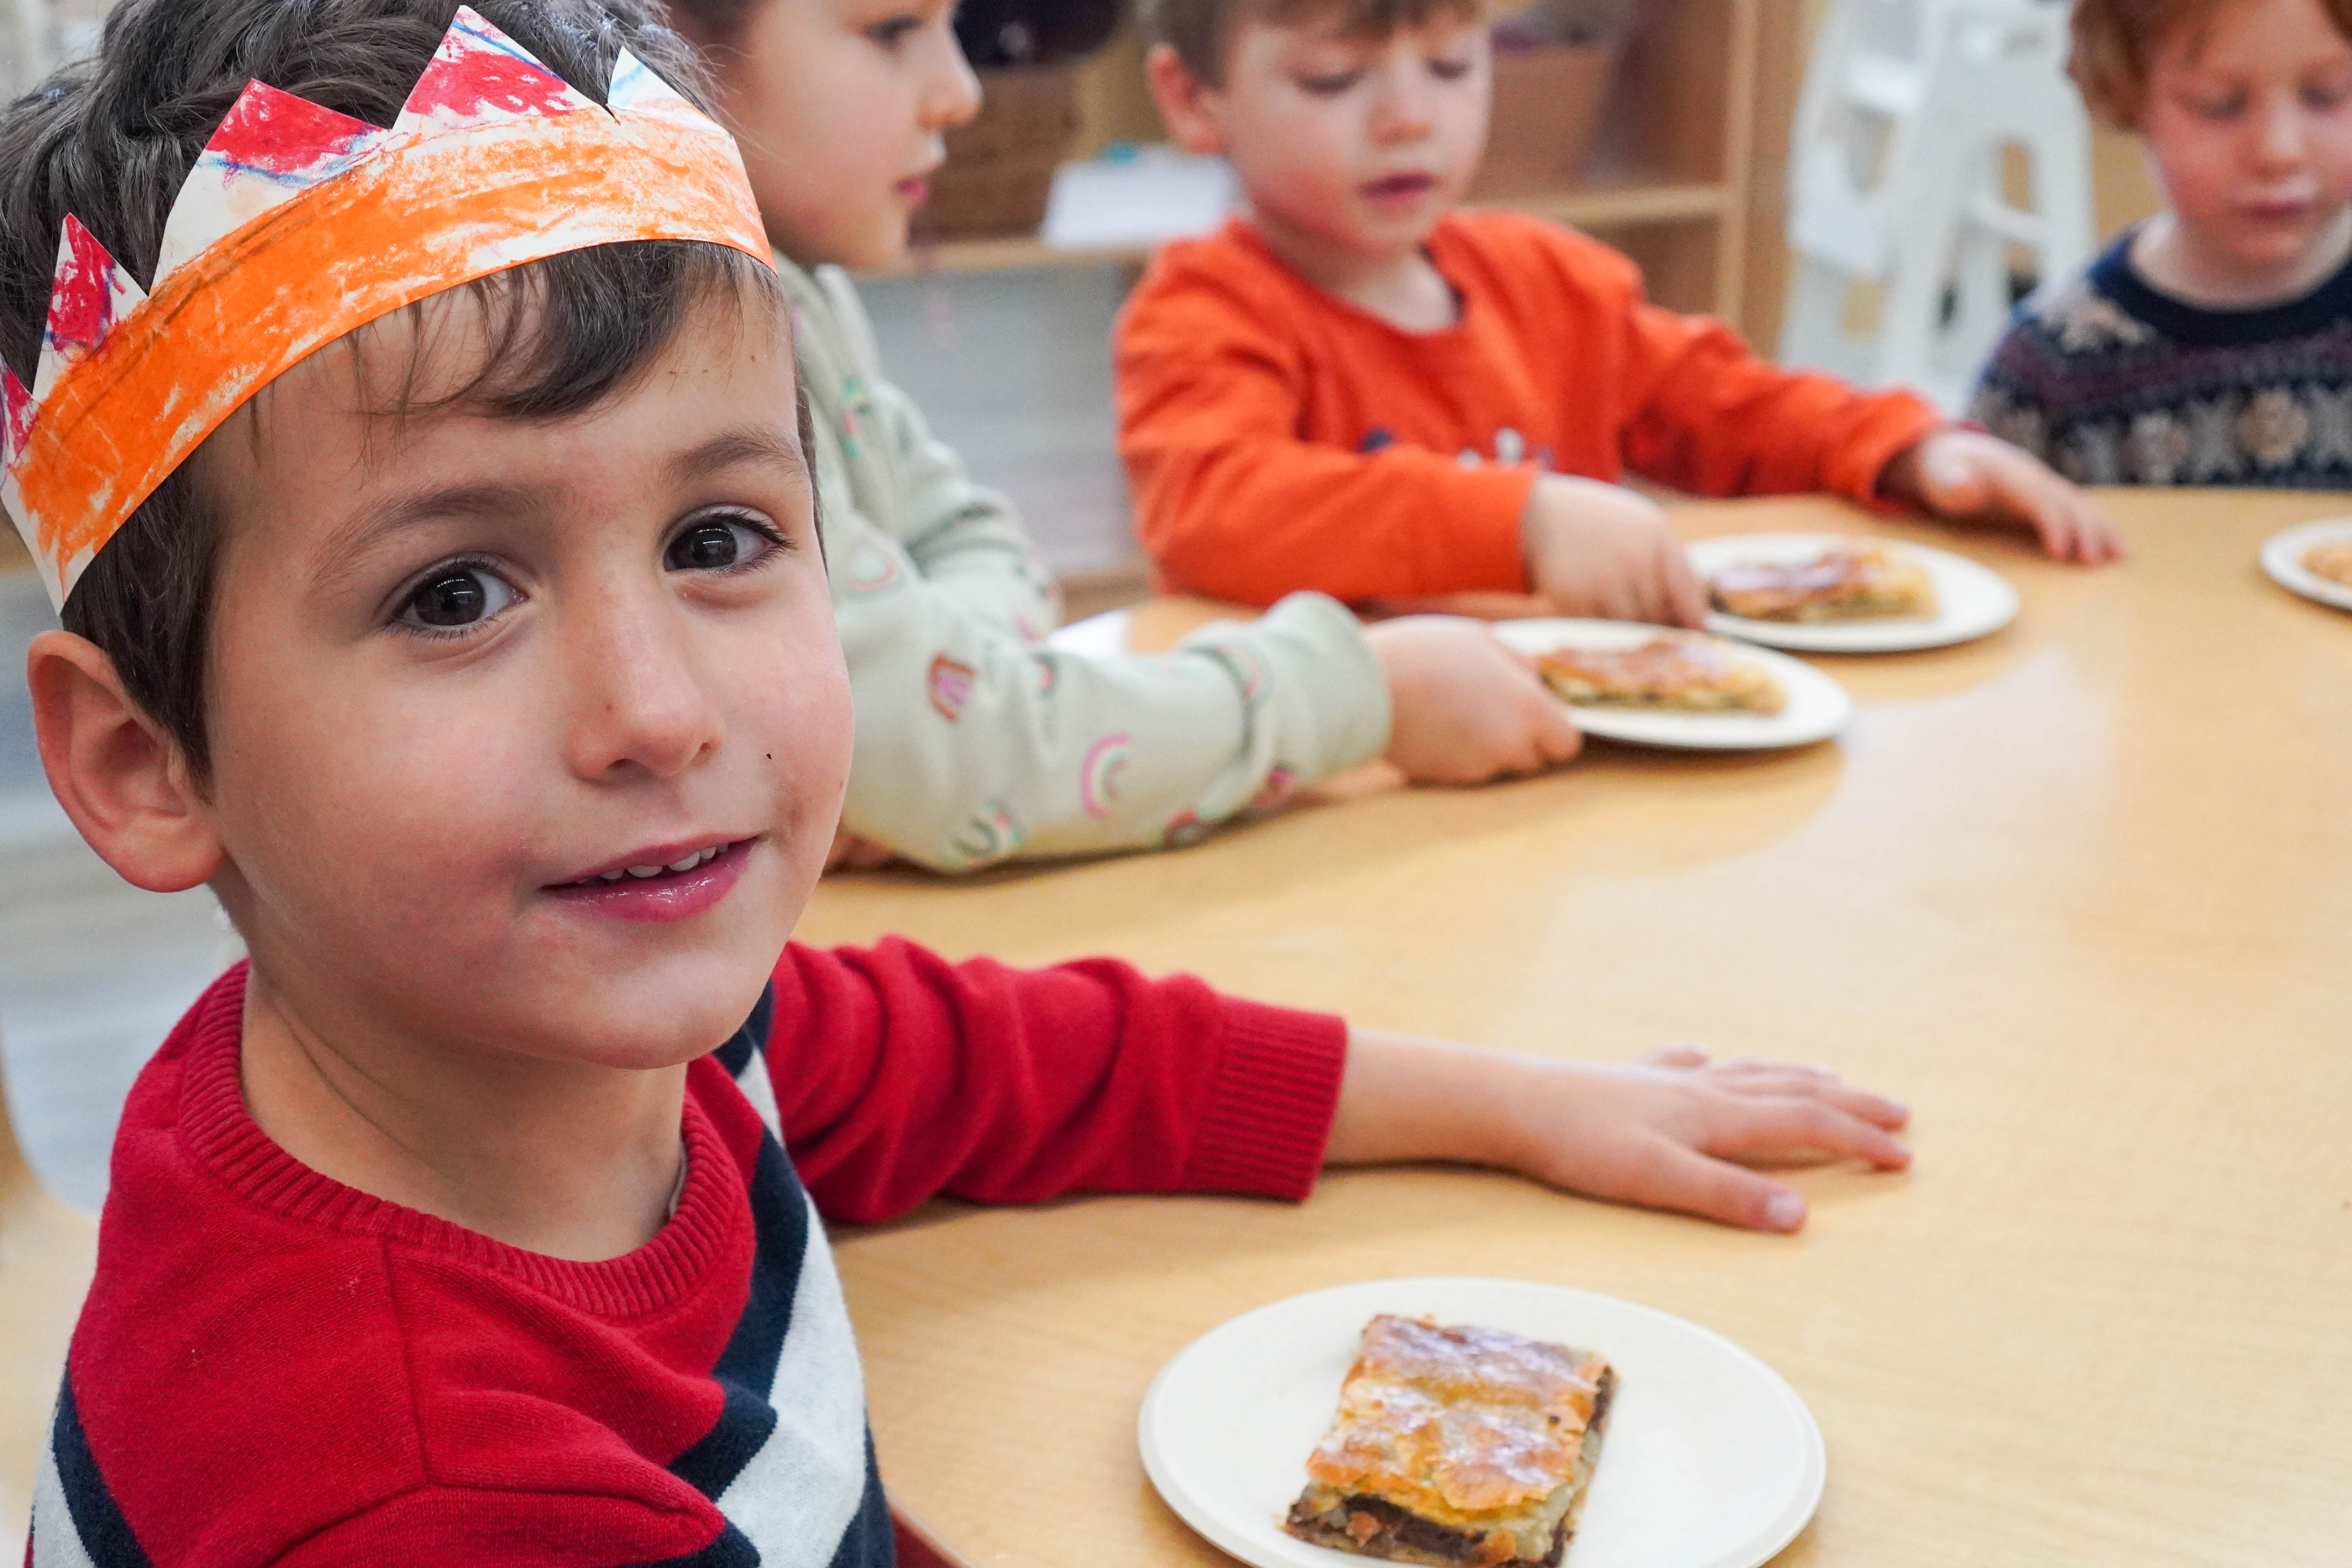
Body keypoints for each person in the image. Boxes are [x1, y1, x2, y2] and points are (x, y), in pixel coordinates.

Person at [2, 4, 1912, 1560]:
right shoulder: (425, 1495)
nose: (656, 710)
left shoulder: (584, 1042)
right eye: (454, 590)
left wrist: (1525, 1103)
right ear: (148, 759)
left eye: (724, 533)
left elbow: (990, 1056)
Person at [656, 0, 1583, 877]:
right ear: (666, 31)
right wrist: (1359, 692)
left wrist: (924, 733)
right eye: (895, 27)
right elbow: (981, 757)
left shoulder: (800, 298)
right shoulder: (682, 358)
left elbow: (977, 545)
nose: (962, 91)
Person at [1114, 0, 2125, 619]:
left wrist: (1909, 447)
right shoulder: (1202, 311)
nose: (1409, 117)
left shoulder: (1549, 285)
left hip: (1572, 764)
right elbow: (1218, 512)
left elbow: (1730, 405)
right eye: (1334, 77)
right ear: (1194, 99)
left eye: (1452, 64)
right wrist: (1521, 522)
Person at [1973, 0, 2352, 486]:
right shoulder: (2053, 368)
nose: (2279, 151)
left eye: (2328, 94)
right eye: (2220, 104)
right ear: (2128, 88)